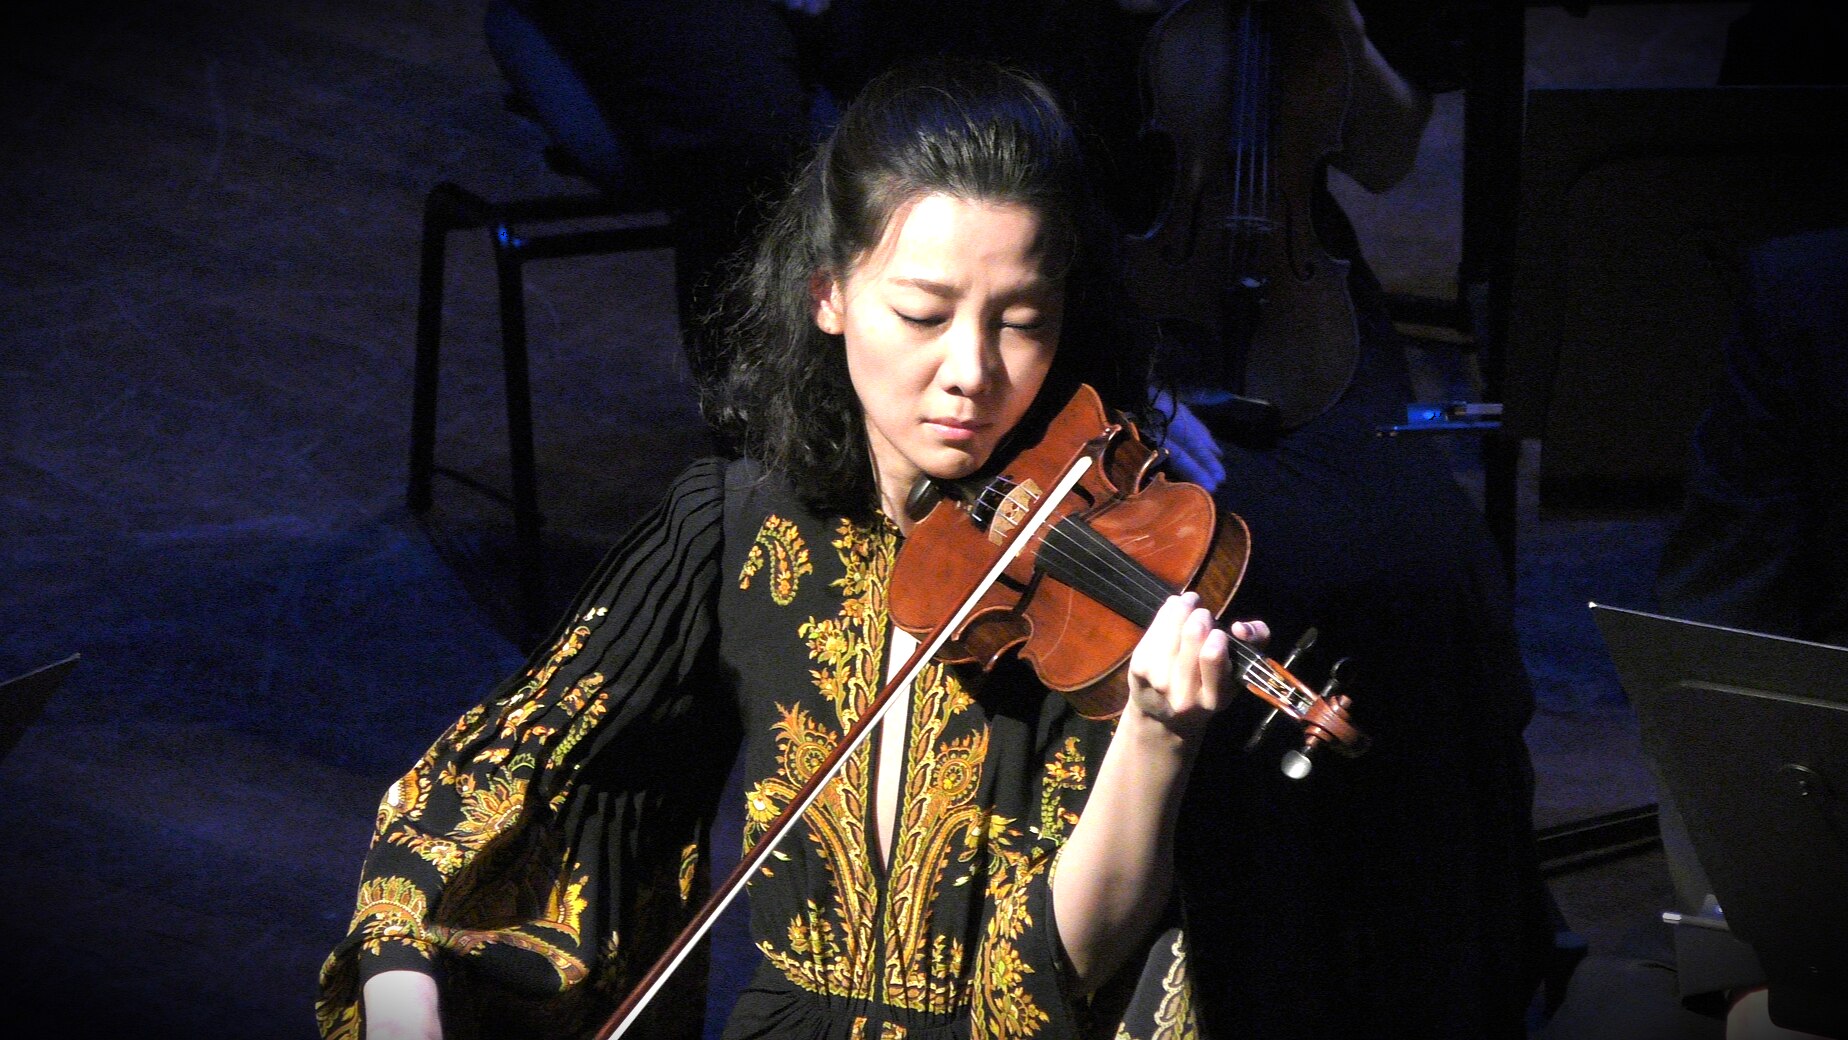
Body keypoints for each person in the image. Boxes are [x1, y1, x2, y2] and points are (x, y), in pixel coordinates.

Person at [319, 57, 1268, 1040]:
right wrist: (404, 987)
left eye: (1022, 321)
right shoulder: (738, 527)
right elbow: (508, 778)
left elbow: (1053, 983)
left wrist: (1156, 737)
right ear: (829, 294)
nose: (973, 372)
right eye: (923, 314)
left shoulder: (1103, 573)